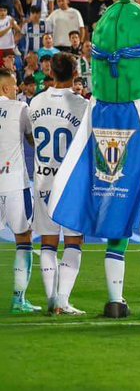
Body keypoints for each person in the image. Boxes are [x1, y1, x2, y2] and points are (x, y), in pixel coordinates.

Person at [27, 53, 88, 315]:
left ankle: (52, 298)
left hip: (42, 179)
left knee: (48, 243)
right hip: (71, 183)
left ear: (50, 72)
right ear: (75, 74)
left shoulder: (35, 102)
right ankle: (62, 299)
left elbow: (32, 138)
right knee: (74, 241)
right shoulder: (82, 105)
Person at [0, 69, 37, 313]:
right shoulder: (19, 109)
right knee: (24, 238)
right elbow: (35, 140)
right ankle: (18, 299)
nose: (18, 90)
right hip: (14, 182)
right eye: (14, 86)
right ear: (5, 89)